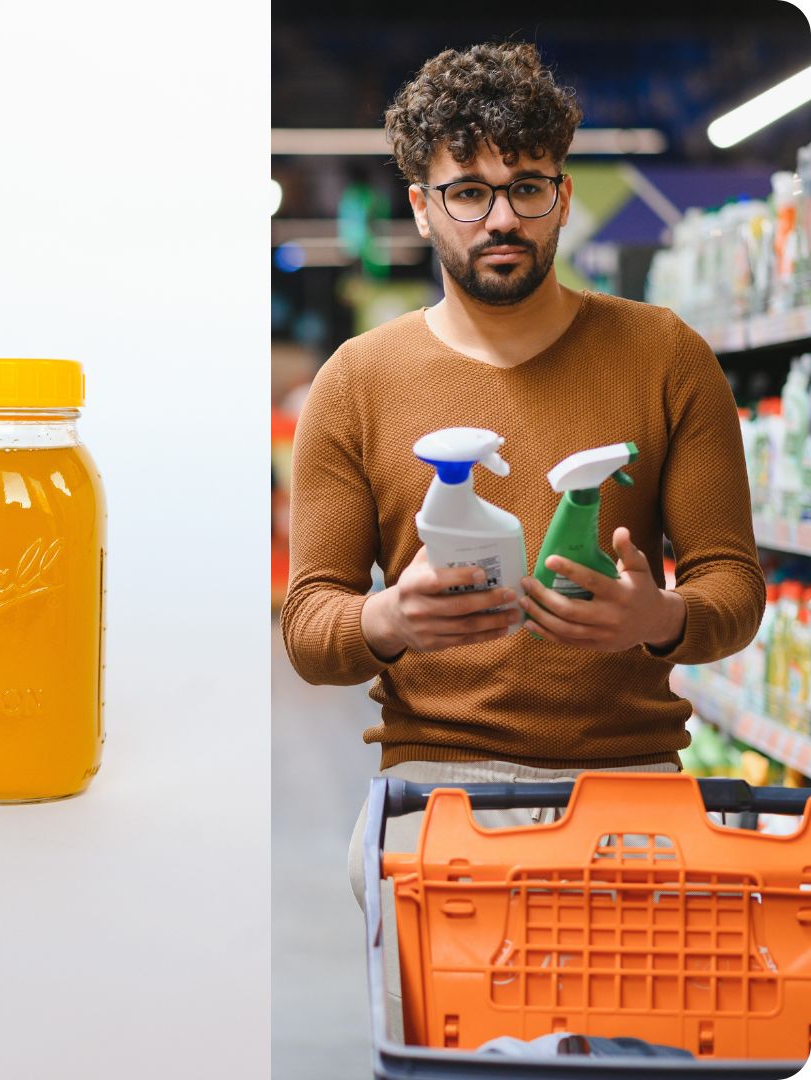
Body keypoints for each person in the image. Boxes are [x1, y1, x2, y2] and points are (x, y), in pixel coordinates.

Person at [278, 42, 766, 905]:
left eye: (527, 187)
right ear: (422, 208)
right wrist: (390, 617)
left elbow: (734, 584)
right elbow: (311, 624)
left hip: (630, 787)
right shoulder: (356, 382)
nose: (501, 218)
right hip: (436, 787)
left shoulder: (666, 357)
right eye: (468, 192)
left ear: (563, 198)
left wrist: (659, 618)